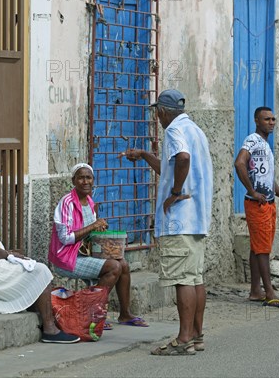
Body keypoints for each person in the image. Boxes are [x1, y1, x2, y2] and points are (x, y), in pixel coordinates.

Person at [121, 89, 213, 356]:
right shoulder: (195, 130)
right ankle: (196, 335)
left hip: (180, 220)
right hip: (196, 218)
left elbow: (182, 159)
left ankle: (183, 339)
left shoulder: (173, 131)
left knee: (183, 279)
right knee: (195, 278)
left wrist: (174, 193)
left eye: (156, 112)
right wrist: (147, 156)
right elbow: (174, 166)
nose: (157, 117)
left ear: (161, 112)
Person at [0, 161, 79, 344]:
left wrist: (8, 253)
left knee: (30, 266)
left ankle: (48, 320)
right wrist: (8, 256)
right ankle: (49, 328)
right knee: (40, 271)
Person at [48, 163, 148, 328]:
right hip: (66, 258)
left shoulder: (89, 200)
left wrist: (102, 236)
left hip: (83, 253)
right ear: (73, 180)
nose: (85, 181)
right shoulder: (67, 203)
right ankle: (93, 314)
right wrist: (93, 226)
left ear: (93, 180)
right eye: (81, 178)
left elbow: (89, 235)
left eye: (89, 177)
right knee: (114, 267)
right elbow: (65, 238)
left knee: (123, 263)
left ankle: (124, 314)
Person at [234, 106, 279, 308]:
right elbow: (239, 163)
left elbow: (268, 181)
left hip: (268, 204)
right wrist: (252, 191)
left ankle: (256, 290)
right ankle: (269, 291)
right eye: (266, 119)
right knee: (262, 250)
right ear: (256, 121)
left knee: (258, 247)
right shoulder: (252, 140)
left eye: (273, 119)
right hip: (257, 204)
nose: (271, 122)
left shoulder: (266, 146)